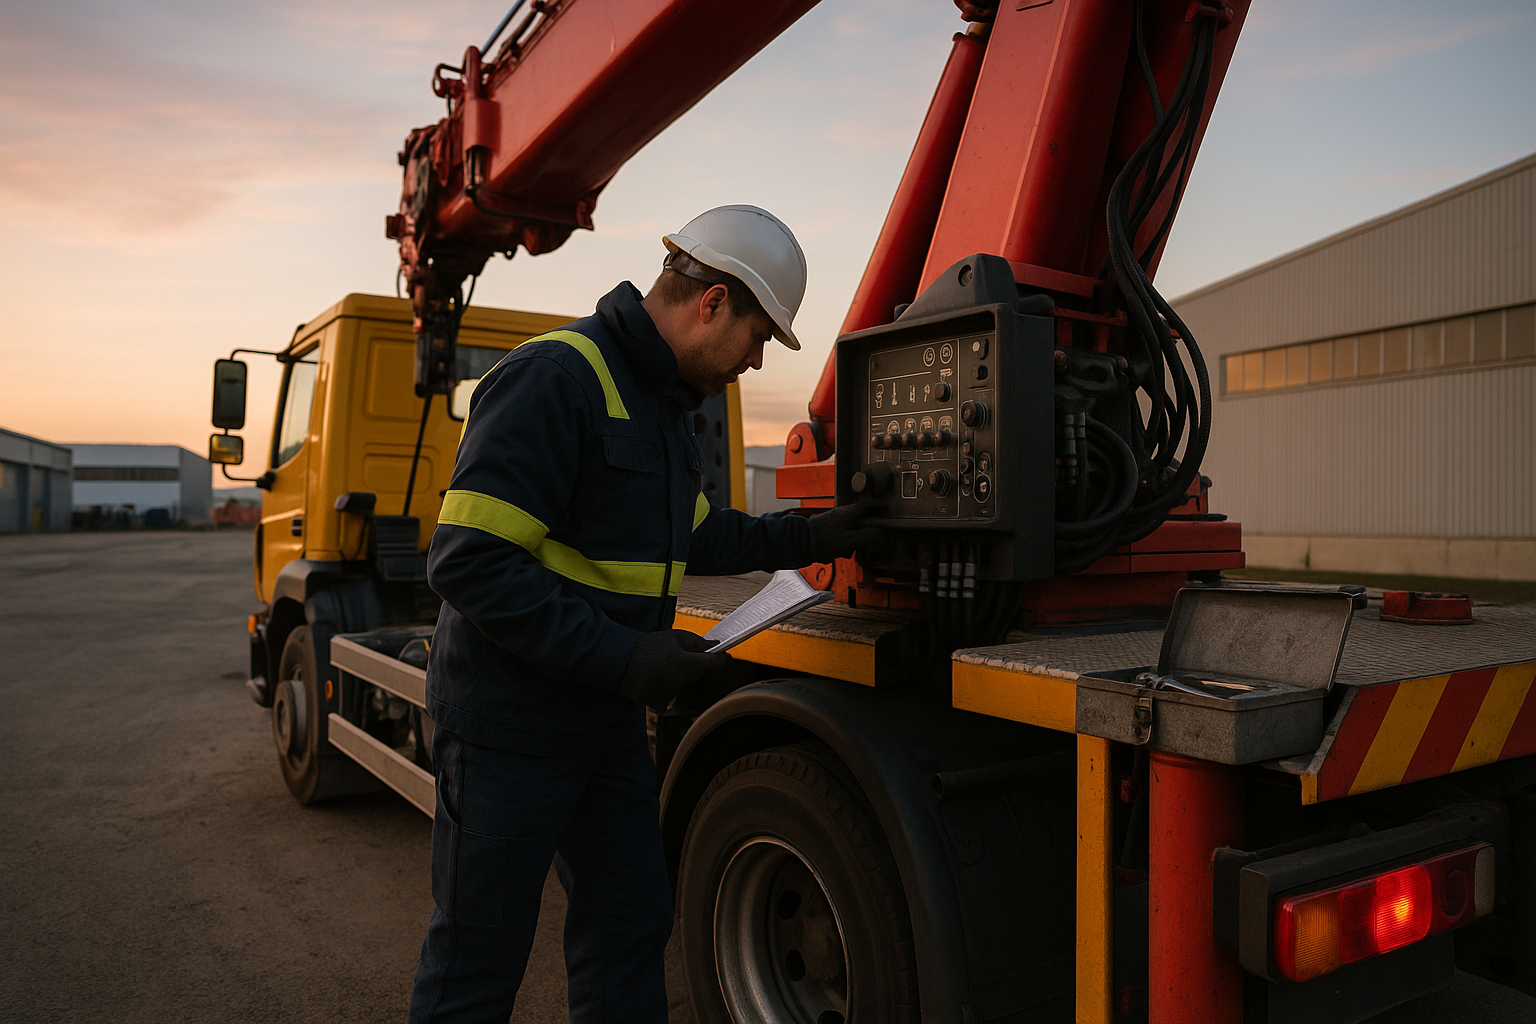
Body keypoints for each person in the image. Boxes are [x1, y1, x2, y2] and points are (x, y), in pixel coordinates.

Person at [408, 205, 881, 1023]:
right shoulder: (554, 379)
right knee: (479, 958)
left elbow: (694, 535)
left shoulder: (663, 406)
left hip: (604, 727)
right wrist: (630, 660)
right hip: (507, 732)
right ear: (713, 302)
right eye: (758, 335)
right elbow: (470, 562)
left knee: (629, 925)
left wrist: (810, 533)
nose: (755, 358)